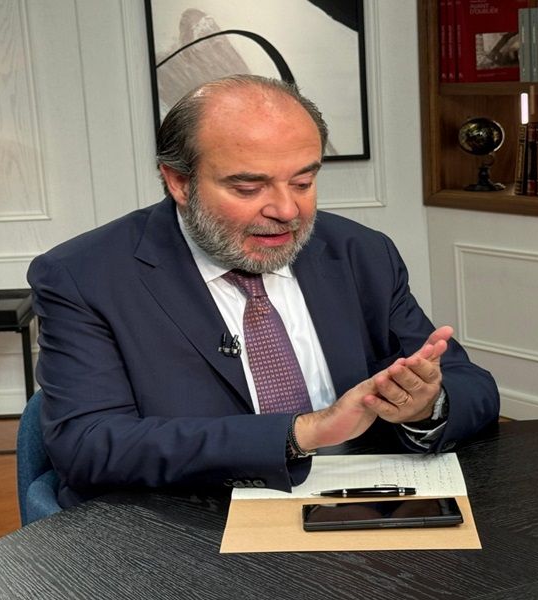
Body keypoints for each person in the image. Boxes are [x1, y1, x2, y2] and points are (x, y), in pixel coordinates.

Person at [28, 75, 499, 508]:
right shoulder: (84, 275)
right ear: (179, 182)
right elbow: (88, 445)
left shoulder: (361, 253)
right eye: (250, 188)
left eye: (303, 182)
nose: (287, 210)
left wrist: (425, 405)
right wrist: (300, 434)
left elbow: (471, 387)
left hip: (357, 514)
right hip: (184, 522)